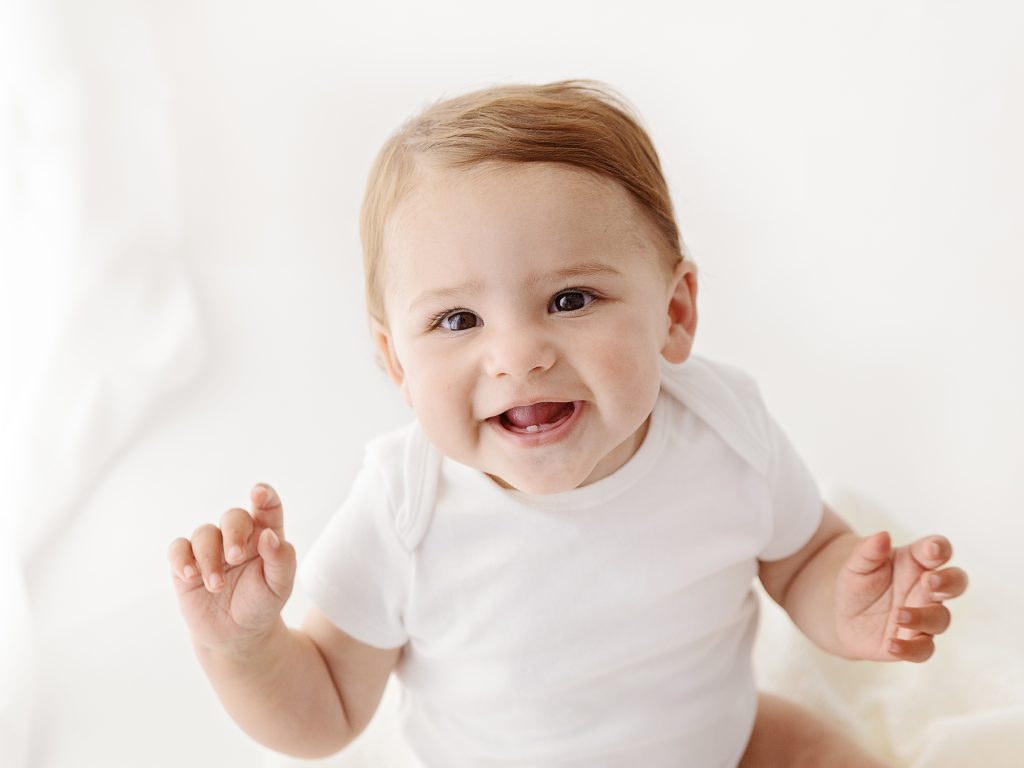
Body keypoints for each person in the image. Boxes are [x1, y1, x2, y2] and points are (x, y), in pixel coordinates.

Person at [167, 80, 968, 766]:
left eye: (570, 300)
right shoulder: (405, 511)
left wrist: (848, 604)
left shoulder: (724, 429)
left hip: (718, 745)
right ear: (397, 364)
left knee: (814, 750)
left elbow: (804, 559)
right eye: (457, 320)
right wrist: (244, 649)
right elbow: (329, 711)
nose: (518, 356)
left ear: (675, 313)